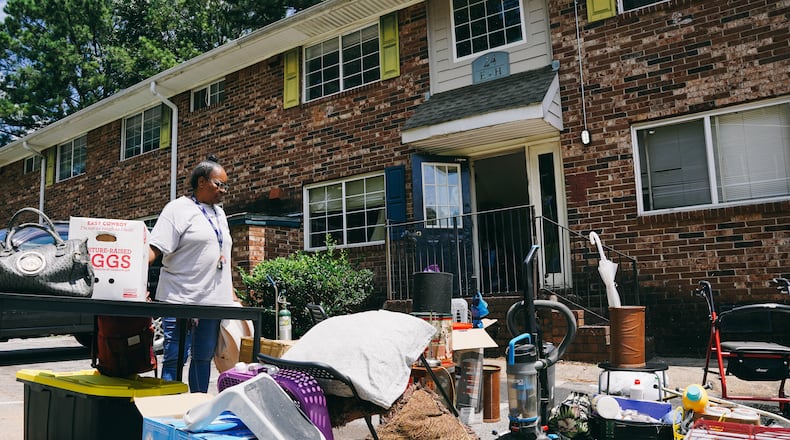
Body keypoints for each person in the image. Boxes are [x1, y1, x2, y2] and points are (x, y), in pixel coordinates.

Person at [148, 155, 236, 392]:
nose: (224, 191)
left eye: (226, 185)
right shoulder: (177, 209)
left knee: (202, 358)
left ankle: (198, 407)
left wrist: (231, 293)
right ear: (201, 182)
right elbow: (154, 249)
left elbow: (222, 255)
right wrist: (132, 282)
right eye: (219, 184)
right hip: (180, 298)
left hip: (212, 302)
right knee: (175, 358)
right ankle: (167, 411)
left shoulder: (220, 214)